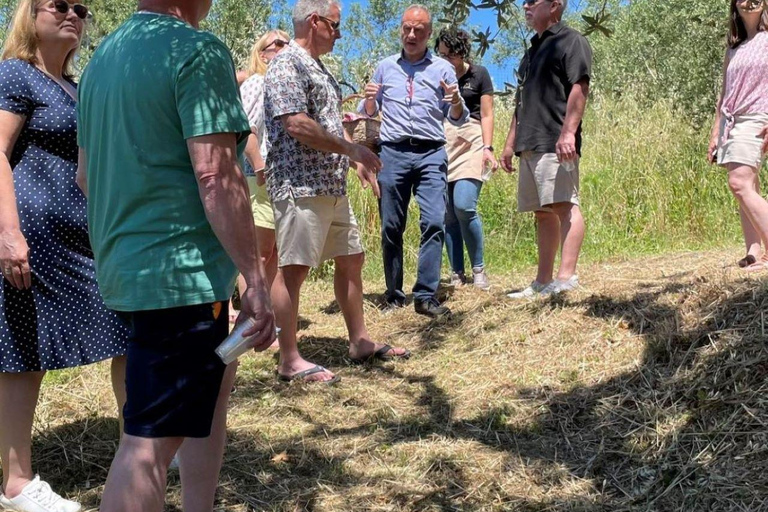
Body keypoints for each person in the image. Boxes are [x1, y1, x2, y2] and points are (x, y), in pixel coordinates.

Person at [76, 0, 276, 510]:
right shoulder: (197, 49)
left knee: (207, 396)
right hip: (179, 275)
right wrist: (256, 280)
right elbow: (215, 174)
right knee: (146, 444)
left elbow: (85, 176)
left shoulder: (103, 59)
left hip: (130, 269)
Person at [0, 2, 129, 511]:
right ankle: (16, 484)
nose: (74, 13)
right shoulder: (13, 73)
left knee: (129, 330)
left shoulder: (74, 87)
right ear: (30, 13)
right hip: (34, 237)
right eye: (60, 3)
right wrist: (8, 234)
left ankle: (140, 443)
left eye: (82, 8)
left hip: (88, 239)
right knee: (23, 351)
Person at [264, 0, 411, 383]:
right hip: (299, 184)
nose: (339, 33)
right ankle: (289, 359)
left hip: (330, 184)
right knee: (293, 270)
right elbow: (296, 124)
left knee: (352, 258)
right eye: (335, 25)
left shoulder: (320, 69)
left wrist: (355, 159)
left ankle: (360, 341)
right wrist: (351, 149)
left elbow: (328, 124)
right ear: (315, 22)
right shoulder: (286, 64)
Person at [360, 4, 469, 317]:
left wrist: (457, 101)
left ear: (429, 34)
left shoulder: (443, 70)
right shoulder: (384, 68)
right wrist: (369, 100)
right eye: (407, 28)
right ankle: (394, 295)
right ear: (400, 30)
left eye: (418, 30)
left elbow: (457, 117)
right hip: (392, 153)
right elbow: (369, 114)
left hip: (431, 152)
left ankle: (424, 296)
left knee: (434, 220)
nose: (411, 34)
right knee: (391, 226)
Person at [500, 0, 591, 299]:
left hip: (556, 140)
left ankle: (566, 278)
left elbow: (579, 87)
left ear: (554, 6)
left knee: (564, 205)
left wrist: (568, 133)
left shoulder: (571, 41)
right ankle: (542, 282)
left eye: (531, 1)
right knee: (542, 212)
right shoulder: (530, 51)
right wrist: (510, 142)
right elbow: (520, 101)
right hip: (529, 143)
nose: (525, 6)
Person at [230, 29, 290, 325]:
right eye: (276, 44)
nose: (283, 47)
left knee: (274, 252)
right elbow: (247, 129)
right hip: (259, 176)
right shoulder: (256, 82)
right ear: (261, 53)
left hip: (278, 177)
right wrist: (260, 165)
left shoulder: (281, 86)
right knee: (259, 255)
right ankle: (250, 320)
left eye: (287, 43)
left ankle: (265, 318)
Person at [435, 28, 497, 291]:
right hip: (443, 140)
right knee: (448, 214)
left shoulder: (479, 74)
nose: (444, 59)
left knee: (464, 205)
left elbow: (487, 114)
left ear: (461, 53)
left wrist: (488, 147)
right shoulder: (436, 76)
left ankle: (479, 268)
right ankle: (457, 273)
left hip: (472, 140)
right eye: (440, 54)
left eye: (449, 55)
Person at [708, 0, 768, 270]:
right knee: (748, 185)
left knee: (739, 181)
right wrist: (715, 133)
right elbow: (724, 95)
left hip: (757, 116)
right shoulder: (734, 48)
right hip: (733, 121)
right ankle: (754, 251)